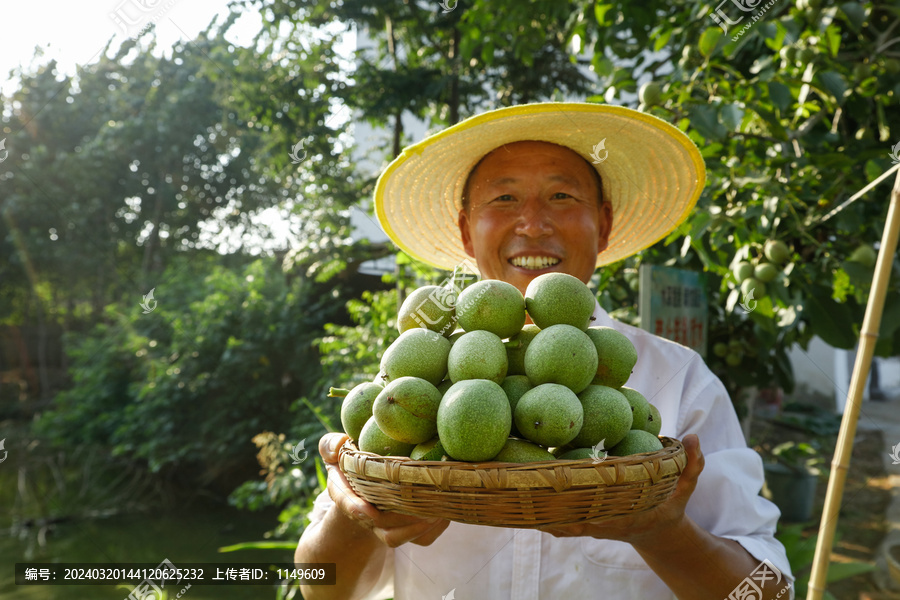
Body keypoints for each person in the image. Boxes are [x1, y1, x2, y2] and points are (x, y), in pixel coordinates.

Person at [295, 103, 794, 600]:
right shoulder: (409, 379)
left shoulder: (681, 379)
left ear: (604, 222)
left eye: (561, 195)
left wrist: (661, 533)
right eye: (505, 197)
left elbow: (768, 595)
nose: (533, 224)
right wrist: (352, 518)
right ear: (467, 231)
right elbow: (317, 588)